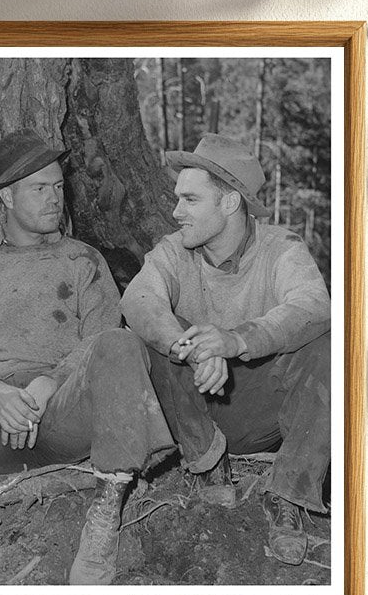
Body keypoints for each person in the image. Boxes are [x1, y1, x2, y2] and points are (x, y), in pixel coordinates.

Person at [0, 129, 173, 587]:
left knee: (122, 344)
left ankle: (105, 518)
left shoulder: (83, 260)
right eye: (39, 188)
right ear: (7, 197)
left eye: (58, 186)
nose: (55, 198)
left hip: (65, 417)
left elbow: (102, 334)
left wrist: (50, 383)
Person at [121, 134, 331, 566]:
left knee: (325, 343)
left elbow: (313, 305)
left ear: (231, 202)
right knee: (152, 330)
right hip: (193, 412)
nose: (176, 212)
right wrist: (198, 346)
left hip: (260, 412)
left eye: (190, 200)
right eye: (178, 199)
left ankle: (288, 494)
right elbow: (138, 300)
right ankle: (207, 465)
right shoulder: (174, 251)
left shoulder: (280, 248)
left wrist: (236, 339)